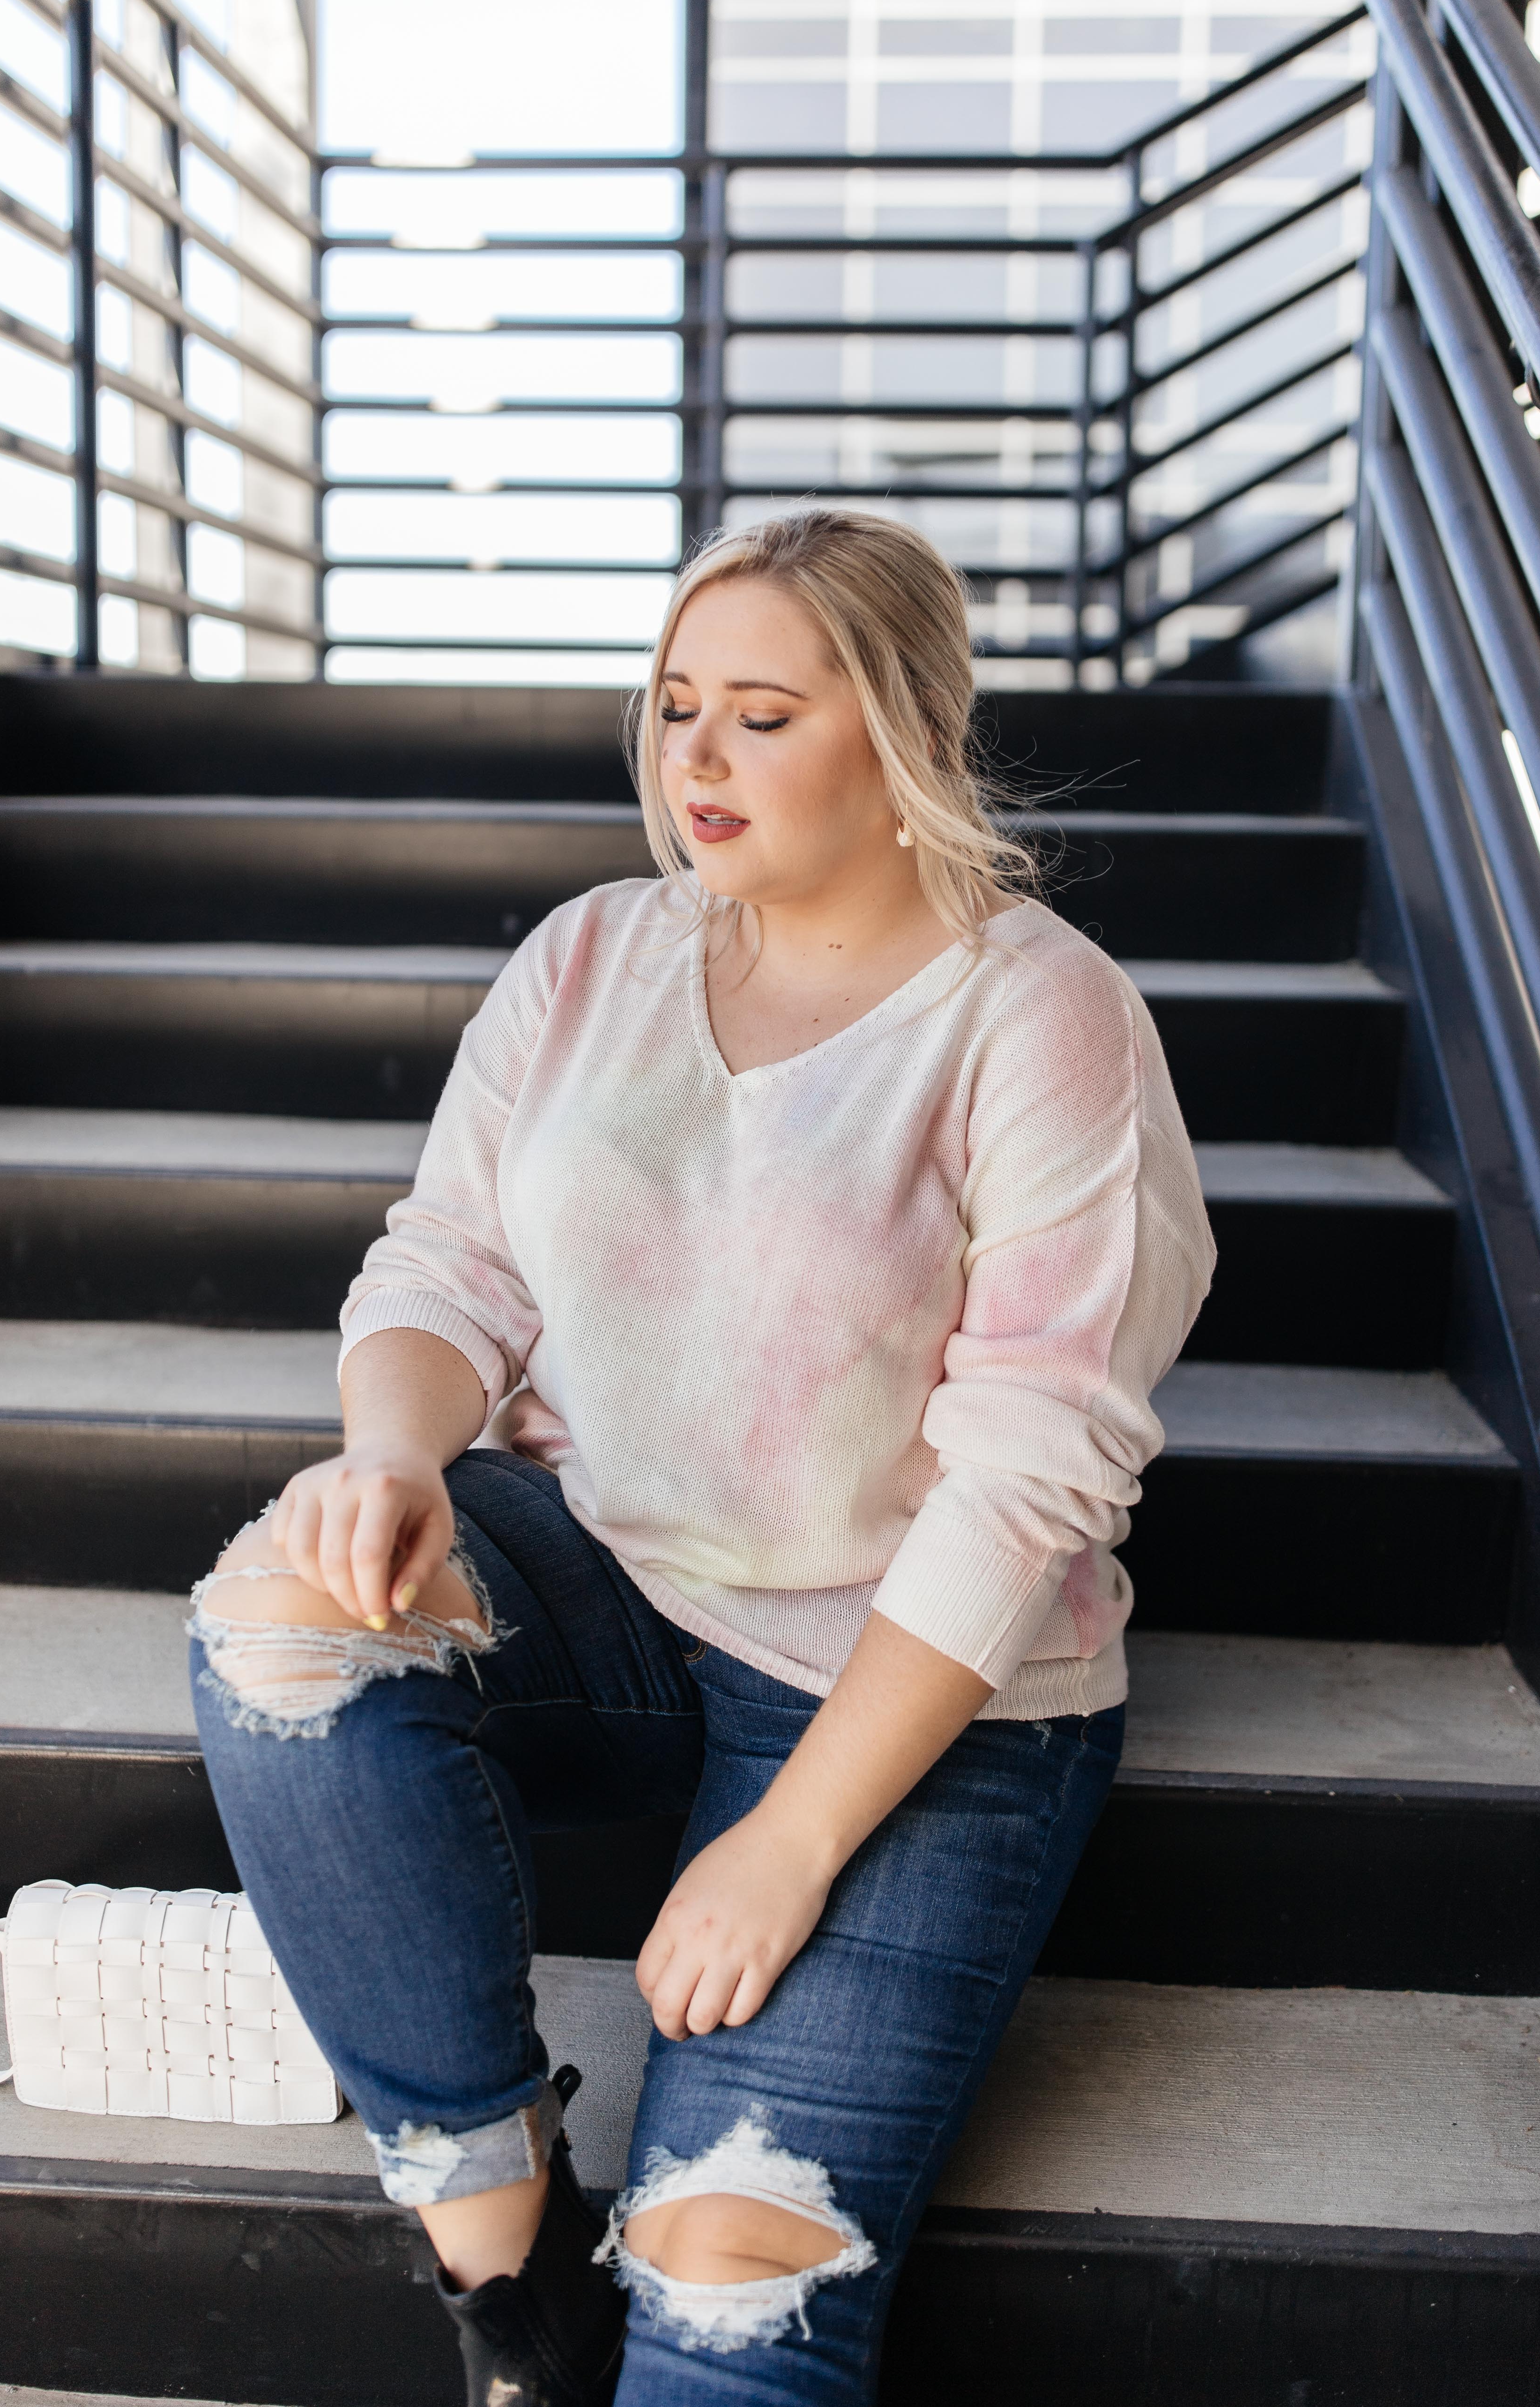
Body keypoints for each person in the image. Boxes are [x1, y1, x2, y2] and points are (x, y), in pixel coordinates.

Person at [189, 506, 1214, 2405]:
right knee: (280, 1615)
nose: (698, 762)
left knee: (738, 2275)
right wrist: (395, 1449)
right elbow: (452, 1259)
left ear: (902, 729)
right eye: (676, 709)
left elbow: (1028, 1473)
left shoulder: (1040, 1011)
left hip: (918, 1685)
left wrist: (791, 1840)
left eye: (760, 714)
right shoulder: (596, 955)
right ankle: (512, 2293)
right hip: (611, 1585)